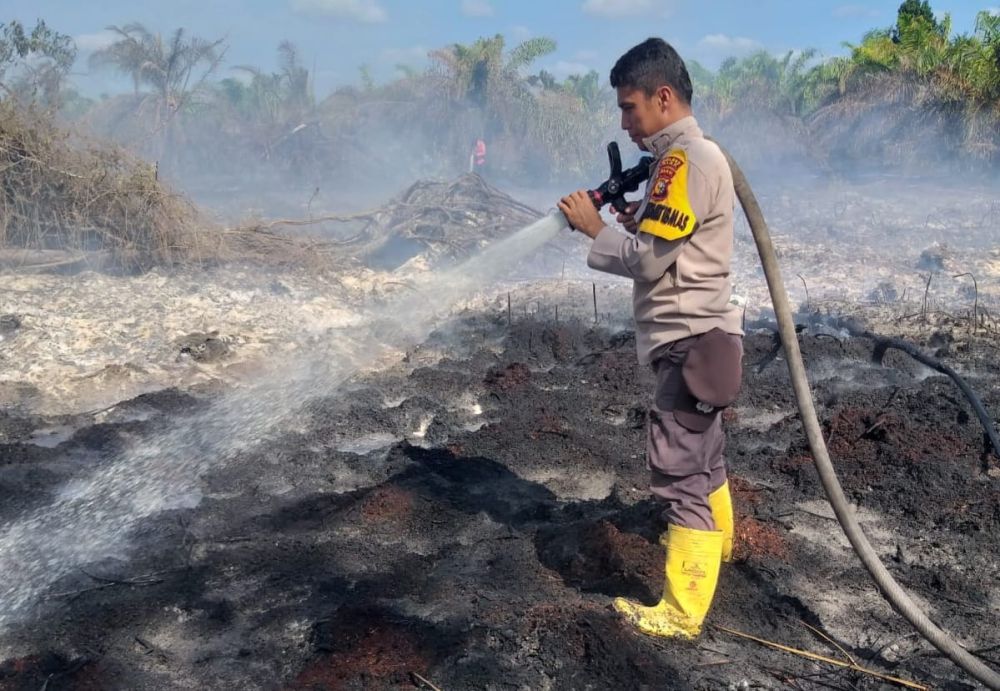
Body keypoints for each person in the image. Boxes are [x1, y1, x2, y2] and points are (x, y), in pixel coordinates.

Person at [558, 37, 744, 640]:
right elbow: (672, 243)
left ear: (663, 98)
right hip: (709, 342)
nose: (624, 124)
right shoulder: (691, 159)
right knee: (705, 458)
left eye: (629, 107)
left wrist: (594, 229)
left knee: (678, 470)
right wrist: (639, 219)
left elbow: (648, 262)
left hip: (688, 342)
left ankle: (681, 613)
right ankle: (717, 549)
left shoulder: (684, 161)